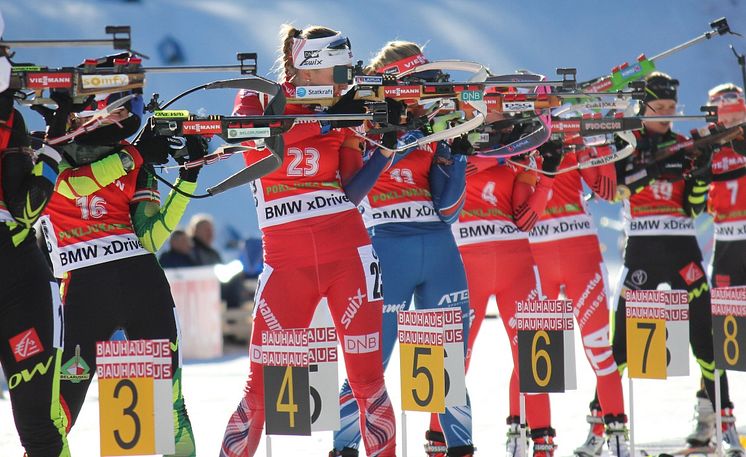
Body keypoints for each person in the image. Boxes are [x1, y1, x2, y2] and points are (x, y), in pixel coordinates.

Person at [220, 24, 398, 457]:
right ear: (311, 66)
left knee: (368, 384)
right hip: (286, 264)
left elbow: (352, 191)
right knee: (259, 389)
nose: (346, 80)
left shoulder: (345, 109)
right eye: (338, 70)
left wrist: (385, 148)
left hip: (349, 255)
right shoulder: (259, 96)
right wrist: (324, 120)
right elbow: (248, 139)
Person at [37, 53, 207, 456]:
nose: (125, 119)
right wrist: (137, 155)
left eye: (130, 109)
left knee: (170, 406)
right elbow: (73, 187)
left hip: (141, 282)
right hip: (82, 293)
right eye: (121, 107)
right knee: (55, 416)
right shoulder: (51, 151)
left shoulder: (134, 158)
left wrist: (188, 178)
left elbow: (152, 237)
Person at [332, 41, 474, 457]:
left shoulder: (432, 125)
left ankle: (460, 448)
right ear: (399, 85)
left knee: (446, 359)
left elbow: (448, 209)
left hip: (440, 247)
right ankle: (344, 448)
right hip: (386, 246)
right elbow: (358, 185)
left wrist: (455, 153)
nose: (428, 96)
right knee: (371, 364)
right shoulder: (366, 118)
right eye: (421, 85)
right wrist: (411, 136)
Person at [609, 72, 740, 455]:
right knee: (621, 344)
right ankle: (605, 427)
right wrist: (649, 166)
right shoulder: (626, 144)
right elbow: (616, 187)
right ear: (642, 107)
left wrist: (700, 175)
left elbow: (695, 206)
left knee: (706, 338)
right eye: (660, 108)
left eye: (672, 108)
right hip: (643, 252)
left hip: (684, 251)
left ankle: (722, 422)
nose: (668, 115)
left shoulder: (684, 143)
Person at [452, 130, 557, 457]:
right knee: (455, 360)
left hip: (518, 267)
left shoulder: (523, 155)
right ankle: (441, 442)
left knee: (536, 362)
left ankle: (542, 443)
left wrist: (547, 175)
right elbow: (461, 170)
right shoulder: (459, 139)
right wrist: (503, 155)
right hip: (467, 266)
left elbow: (525, 220)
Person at [525, 137, 629, 456]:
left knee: (599, 350)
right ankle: (531, 438)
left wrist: (594, 145)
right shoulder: (513, 138)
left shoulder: (568, 135)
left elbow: (608, 191)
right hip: (535, 257)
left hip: (579, 253)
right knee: (534, 356)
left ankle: (617, 437)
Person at [0, 71, 70, 455]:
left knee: (39, 427)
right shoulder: (10, 117)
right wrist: (54, 142)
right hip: (17, 268)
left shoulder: (10, 118)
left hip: (18, 275)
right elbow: (26, 208)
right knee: (39, 427)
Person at [684, 83, 746, 453]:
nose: (733, 124)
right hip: (726, 246)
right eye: (726, 118)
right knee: (721, 339)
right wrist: (699, 173)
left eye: (739, 116)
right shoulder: (708, 148)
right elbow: (694, 207)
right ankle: (711, 416)